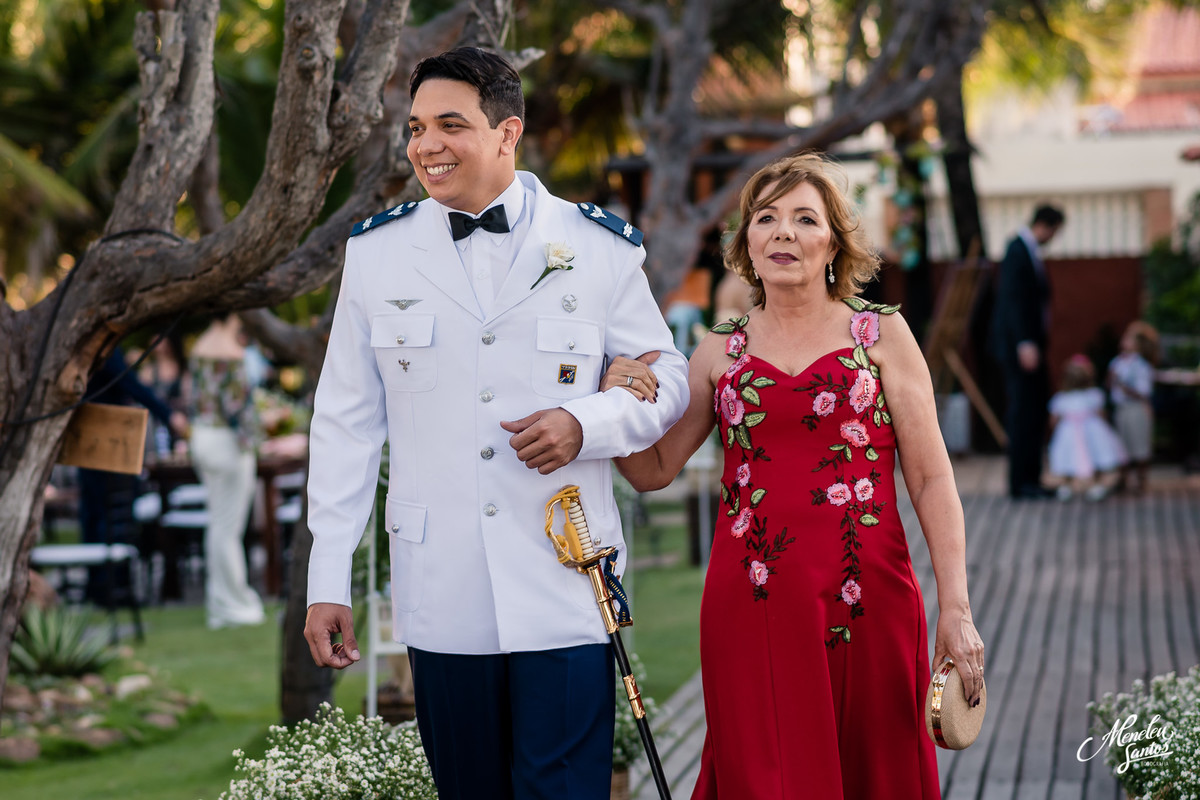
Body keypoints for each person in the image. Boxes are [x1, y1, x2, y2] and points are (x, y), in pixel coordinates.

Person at [302, 47, 689, 800]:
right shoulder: (376, 255)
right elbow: (346, 421)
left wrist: (589, 423)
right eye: (416, 127)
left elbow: (666, 377)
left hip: (565, 578)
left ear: (508, 133)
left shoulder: (597, 245)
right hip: (441, 588)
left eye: (451, 124)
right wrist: (328, 577)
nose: (427, 145)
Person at [601, 153, 983, 799]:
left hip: (871, 598)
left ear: (833, 239)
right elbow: (654, 470)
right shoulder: (719, 350)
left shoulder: (882, 334)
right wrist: (610, 403)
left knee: (876, 768)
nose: (783, 232)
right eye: (766, 218)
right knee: (767, 773)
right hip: (752, 602)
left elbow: (930, 478)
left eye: (805, 218)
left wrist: (957, 608)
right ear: (746, 240)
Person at [78, 345, 189, 602]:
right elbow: (130, 383)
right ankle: (110, 587)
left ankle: (100, 585)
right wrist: (168, 414)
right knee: (108, 514)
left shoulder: (90, 347)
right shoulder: (103, 347)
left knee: (96, 513)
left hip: (90, 437)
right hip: (107, 438)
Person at [188, 313, 266, 630]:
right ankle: (236, 604)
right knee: (229, 528)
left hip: (202, 436)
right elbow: (236, 408)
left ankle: (219, 603)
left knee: (217, 525)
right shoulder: (231, 353)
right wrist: (258, 442)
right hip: (227, 444)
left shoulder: (201, 347)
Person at [989, 203, 1065, 499]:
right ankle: (1021, 483)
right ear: (1046, 225)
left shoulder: (1026, 249)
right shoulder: (1018, 249)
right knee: (1023, 413)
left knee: (1034, 410)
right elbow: (1014, 300)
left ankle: (1032, 478)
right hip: (1021, 348)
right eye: (1056, 231)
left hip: (1029, 346)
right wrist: (1025, 342)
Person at [1045, 354, 1127, 500]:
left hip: (1068, 435)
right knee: (1097, 458)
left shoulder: (1061, 397)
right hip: (1093, 434)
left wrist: (1057, 432)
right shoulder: (1094, 395)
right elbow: (1102, 415)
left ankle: (1066, 486)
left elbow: (1053, 420)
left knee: (1068, 460)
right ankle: (1096, 485)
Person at [1108, 321, 1158, 493]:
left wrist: (1123, 386)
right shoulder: (1117, 362)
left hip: (1136, 409)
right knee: (1121, 445)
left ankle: (1141, 480)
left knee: (1139, 445)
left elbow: (1143, 392)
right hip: (1121, 408)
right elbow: (1110, 384)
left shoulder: (1141, 365)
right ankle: (1122, 478)